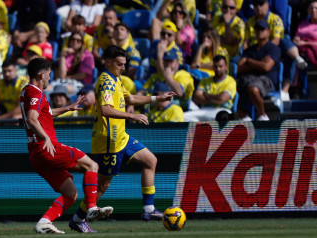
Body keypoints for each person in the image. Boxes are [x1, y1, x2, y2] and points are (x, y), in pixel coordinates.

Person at [70, 45, 176, 232]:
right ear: (108, 62)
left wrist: (157, 98)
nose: (123, 68)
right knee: (103, 185)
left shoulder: (116, 79)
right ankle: (78, 218)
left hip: (121, 137)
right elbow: (105, 109)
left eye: (124, 64)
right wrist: (133, 116)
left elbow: (131, 99)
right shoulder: (106, 82)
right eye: (119, 64)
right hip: (109, 140)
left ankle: (148, 209)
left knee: (150, 160)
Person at [20, 57, 113, 234]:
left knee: (71, 194)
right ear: (41, 74)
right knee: (91, 165)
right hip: (47, 148)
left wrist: (67, 108)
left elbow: (45, 113)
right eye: (48, 75)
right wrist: (46, 137)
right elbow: (32, 118)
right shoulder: (36, 92)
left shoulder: (26, 92)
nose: (49, 78)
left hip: (36, 156)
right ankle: (92, 207)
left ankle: (44, 222)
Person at [244, 0, 307, 101]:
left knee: (285, 43)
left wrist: (266, 51)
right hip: (254, 52)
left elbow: (276, 40)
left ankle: (285, 89)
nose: (258, 7)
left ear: (267, 5)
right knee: (235, 61)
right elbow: (245, 43)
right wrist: (247, 55)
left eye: (261, 4)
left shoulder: (275, 19)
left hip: (272, 50)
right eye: (256, 4)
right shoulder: (250, 21)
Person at [237, 20, 281, 121]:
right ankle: (243, 116)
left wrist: (249, 61)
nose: (259, 31)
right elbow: (239, 67)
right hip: (248, 78)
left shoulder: (273, 48)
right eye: (257, 29)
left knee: (253, 88)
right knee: (231, 86)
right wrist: (258, 63)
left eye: (262, 29)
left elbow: (266, 67)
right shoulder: (250, 49)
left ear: (268, 32)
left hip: (266, 79)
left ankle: (262, 115)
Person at [184, 55, 236, 122]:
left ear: (226, 66)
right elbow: (196, 98)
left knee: (220, 118)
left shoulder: (230, 81)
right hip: (204, 109)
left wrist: (206, 95)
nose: (218, 69)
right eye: (215, 66)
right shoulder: (205, 80)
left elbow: (222, 99)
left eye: (220, 66)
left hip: (222, 110)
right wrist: (216, 99)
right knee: (183, 117)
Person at [294, 0, 317, 69]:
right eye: (311, 8)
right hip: (303, 50)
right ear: (308, 10)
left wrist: (305, 42)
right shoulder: (303, 24)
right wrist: (296, 39)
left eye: (316, 8)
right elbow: (297, 36)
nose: (313, 10)